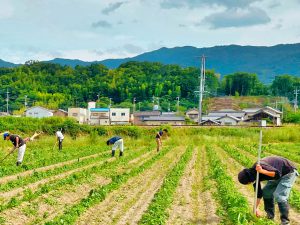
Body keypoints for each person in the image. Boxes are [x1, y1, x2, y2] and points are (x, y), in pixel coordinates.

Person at [238, 156, 298, 225]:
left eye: (248, 183)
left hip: (288, 172)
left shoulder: (260, 166)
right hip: (276, 174)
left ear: (249, 180)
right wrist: (256, 208)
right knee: (266, 192)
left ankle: (285, 222)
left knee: (280, 195)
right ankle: (270, 217)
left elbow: (277, 174)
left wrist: (262, 171)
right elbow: (259, 193)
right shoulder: (254, 176)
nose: (250, 183)